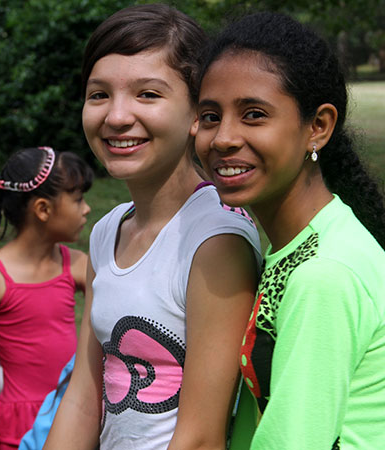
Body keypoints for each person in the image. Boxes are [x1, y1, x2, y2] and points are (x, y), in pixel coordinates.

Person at [193, 12, 385, 449]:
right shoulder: (312, 237)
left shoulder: (326, 274)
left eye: (254, 114)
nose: (223, 137)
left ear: (317, 127)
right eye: (209, 116)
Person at [46, 5, 262, 449]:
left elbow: (201, 437)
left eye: (148, 94)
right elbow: (84, 400)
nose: (117, 116)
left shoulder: (216, 240)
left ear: (197, 115)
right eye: (99, 94)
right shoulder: (106, 231)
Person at [0, 146, 93, 450]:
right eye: (77, 199)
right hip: (16, 428)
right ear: (43, 210)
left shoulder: (78, 264)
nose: (86, 209)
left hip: (73, 415)